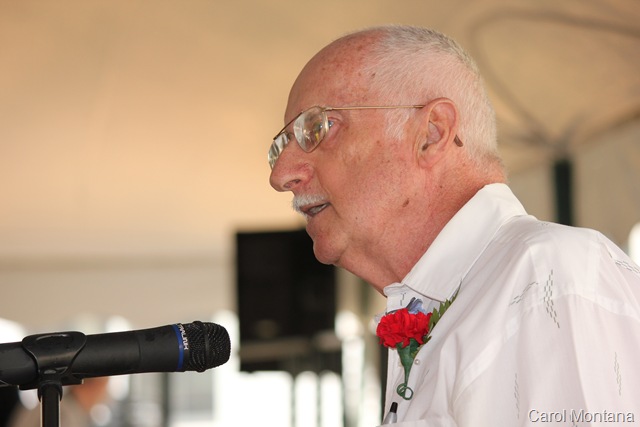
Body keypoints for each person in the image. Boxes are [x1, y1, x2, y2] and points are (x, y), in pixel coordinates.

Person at [268, 24, 640, 425]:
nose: (281, 175)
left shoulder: (545, 278)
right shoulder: (462, 300)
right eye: (279, 148)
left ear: (432, 133)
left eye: (317, 129)